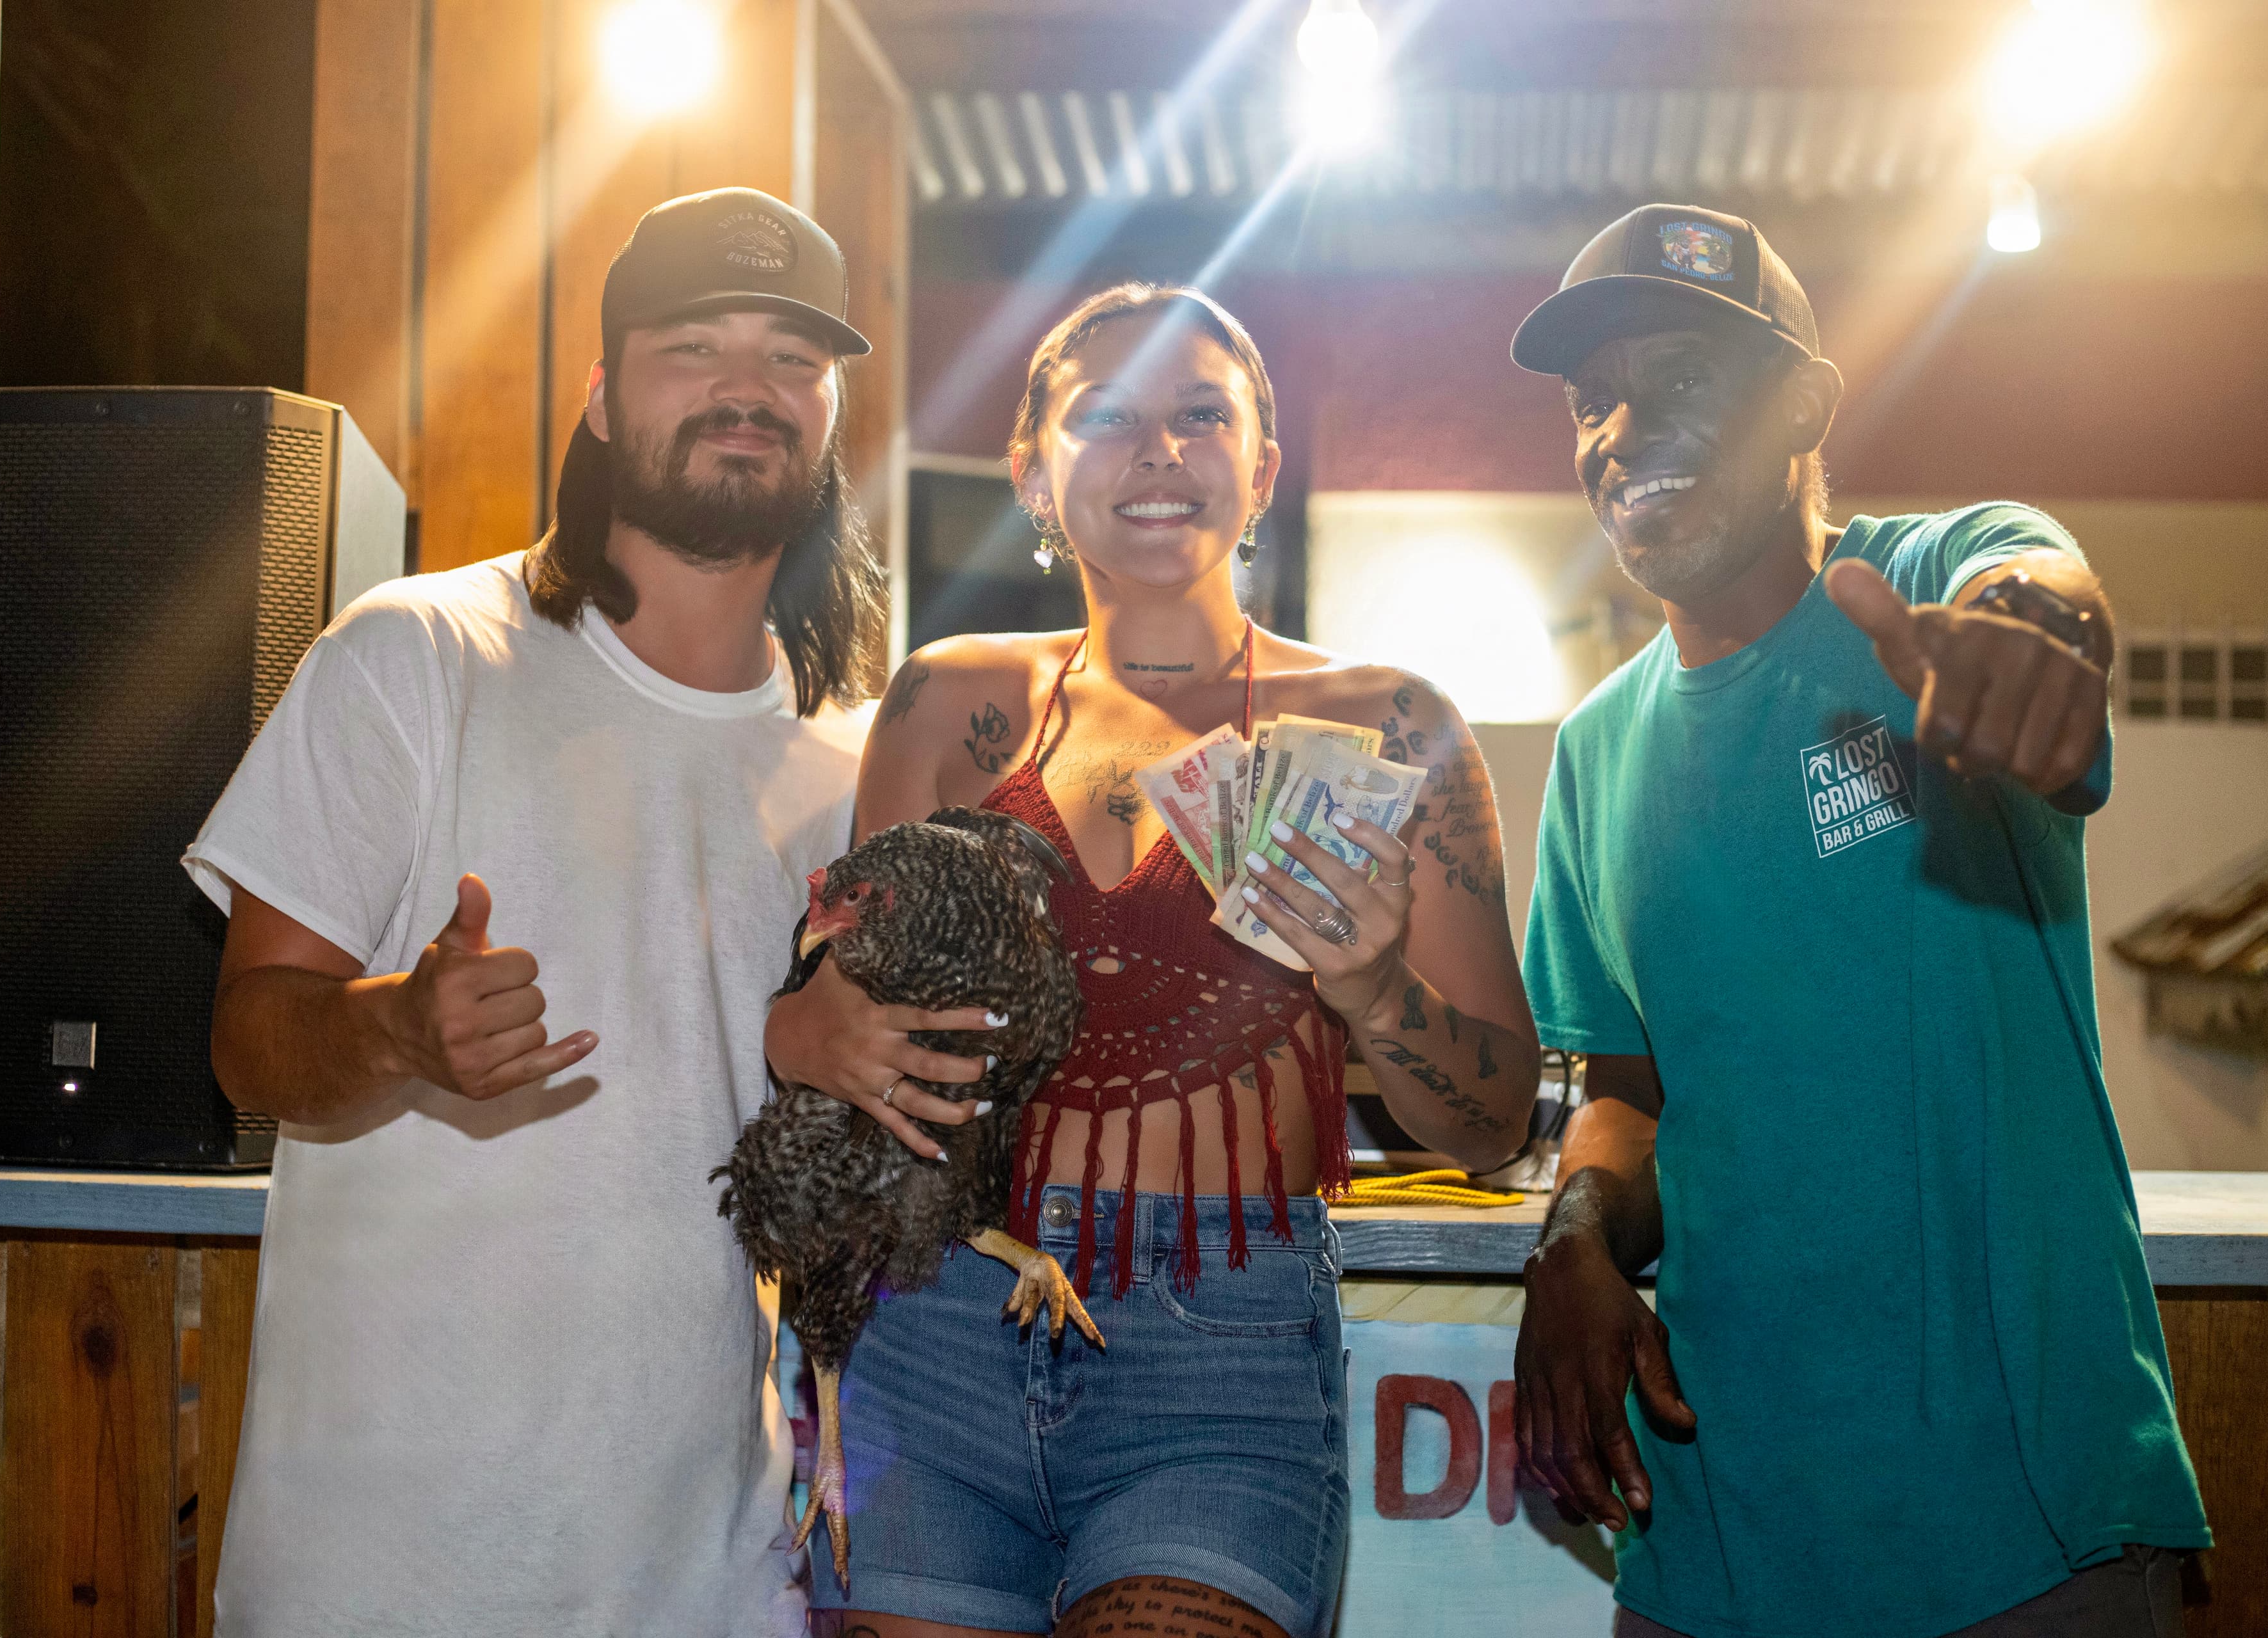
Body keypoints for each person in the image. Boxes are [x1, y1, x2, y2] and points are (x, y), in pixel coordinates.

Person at [184, 187, 955, 1636]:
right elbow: (247, 1042)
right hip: (381, 1578)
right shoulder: (417, 654)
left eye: (793, 357)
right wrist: (396, 1030)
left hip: (709, 1577)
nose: (747, 387)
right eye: (693, 345)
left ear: (832, 411)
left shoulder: (860, 761)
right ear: (602, 397)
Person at [767, 283, 1542, 1638]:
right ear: (1033, 472)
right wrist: (798, 1033)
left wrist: (1372, 992)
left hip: (1219, 1355)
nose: (1161, 451)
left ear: (1264, 468)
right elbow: (840, 1023)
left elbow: (1488, 1122)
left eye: (1201, 415)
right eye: (1108, 418)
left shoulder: (1394, 724)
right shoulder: (946, 700)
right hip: (931, 1320)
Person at [1507, 203, 2211, 1638]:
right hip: (1720, 1530)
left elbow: (2038, 584)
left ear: (1805, 406)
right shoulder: (1595, 753)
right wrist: (1575, 1234)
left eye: (1683, 376)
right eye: (1592, 399)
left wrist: (2036, 639)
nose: (1624, 430)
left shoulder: (1934, 583)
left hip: (2027, 1519)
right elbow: (1629, 1091)